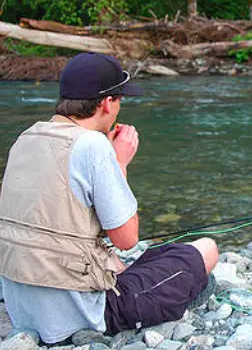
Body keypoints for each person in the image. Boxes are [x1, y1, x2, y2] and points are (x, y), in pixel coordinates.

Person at [0, 52, 219, 344]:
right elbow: (126, 238)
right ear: (106, 102)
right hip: (78, 315)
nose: (119, 107)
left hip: (20, 303)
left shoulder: (26, 138)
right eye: (120, 99)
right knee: (207, 249)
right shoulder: (92, 145)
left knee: (147, 259)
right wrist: (120, 163)